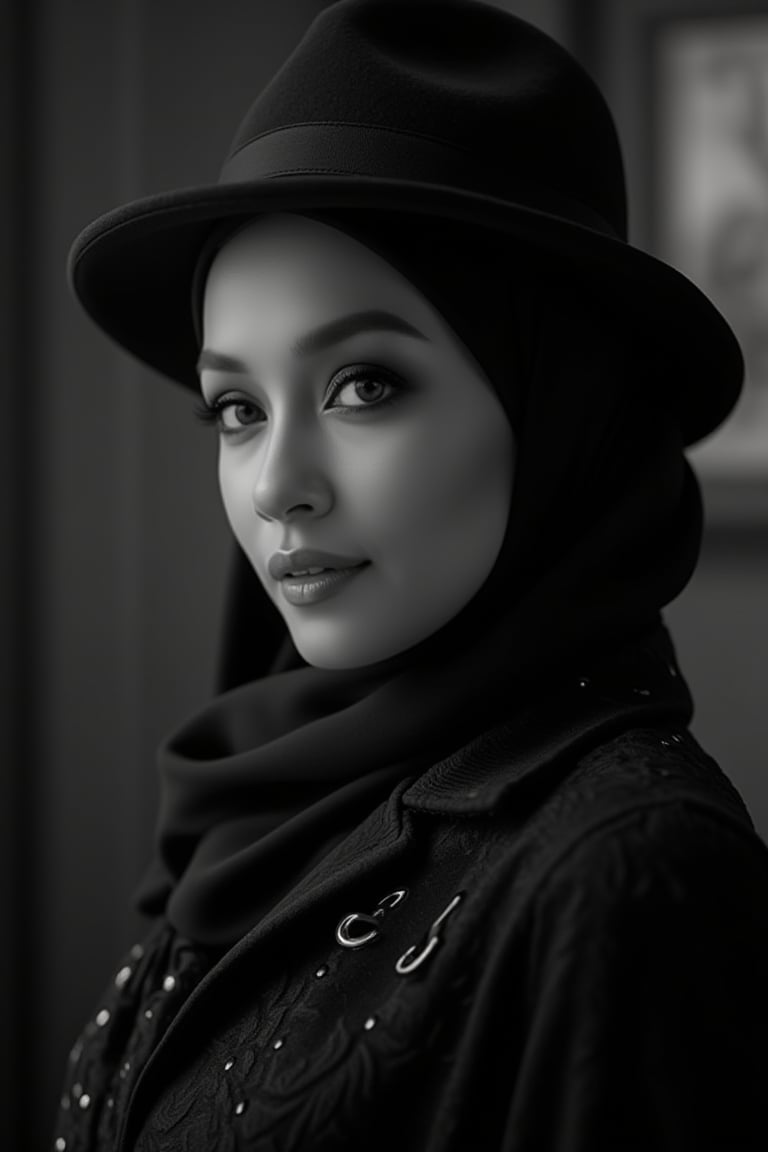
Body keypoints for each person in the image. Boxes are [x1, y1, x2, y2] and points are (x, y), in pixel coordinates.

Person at [57, 1, 768, 1149]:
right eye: (237, 407)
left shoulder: (629, 872)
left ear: (557, 414)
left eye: (364, 386)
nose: (276, 482)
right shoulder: (250, 792)